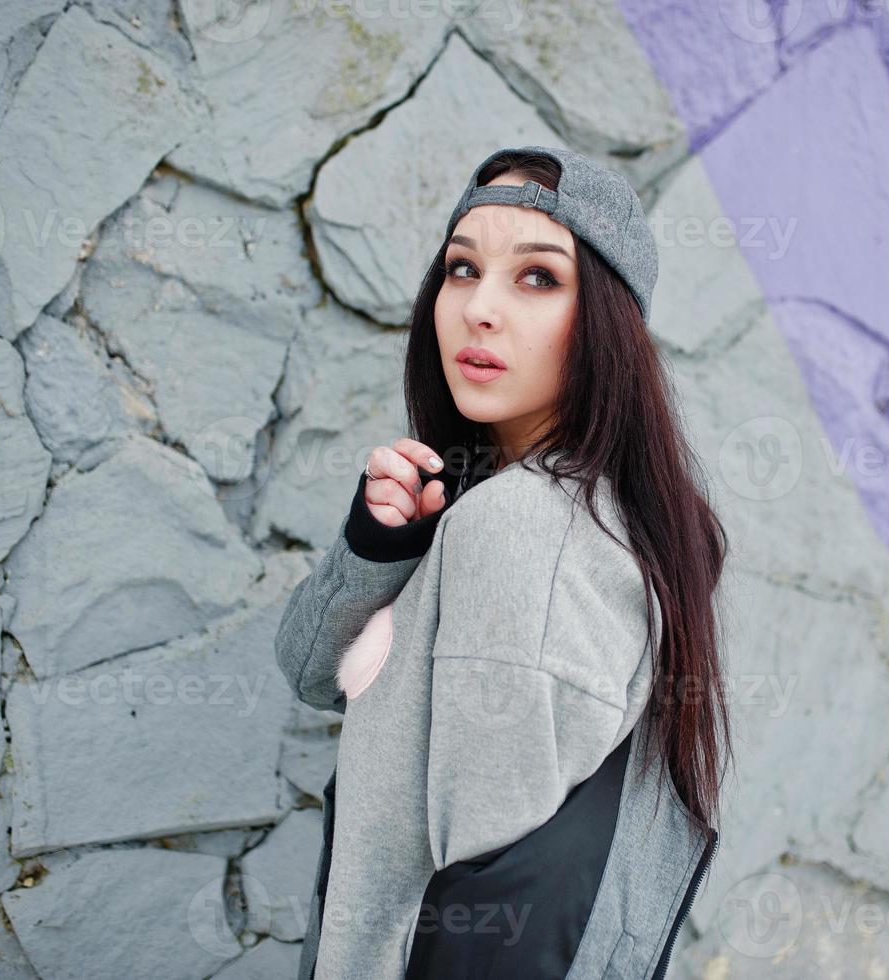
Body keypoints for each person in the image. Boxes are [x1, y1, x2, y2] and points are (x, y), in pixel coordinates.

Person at [275, 144, 732, 980]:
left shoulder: (521, 527)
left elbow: (497, 922)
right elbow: (313, 673)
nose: (478, 309)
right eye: (460, 268)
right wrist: (382, 550)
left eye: (536, 278)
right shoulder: (537, 505)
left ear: (604, 322)